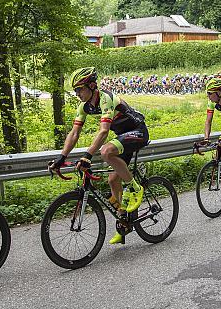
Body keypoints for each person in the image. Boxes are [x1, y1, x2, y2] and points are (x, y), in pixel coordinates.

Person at [49, 67, 149, 245]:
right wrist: (61, 157)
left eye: (80, 89)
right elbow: (74, 133)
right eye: (76, 90)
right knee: (112, 180)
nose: (77, 93)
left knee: (106, 151)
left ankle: (135, 188)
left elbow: (103, 131)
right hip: (123, 137)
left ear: (92, 85)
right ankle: (124, 221)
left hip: (138, 132)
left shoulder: (106, 98)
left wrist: (87, 155)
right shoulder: (84, 106)